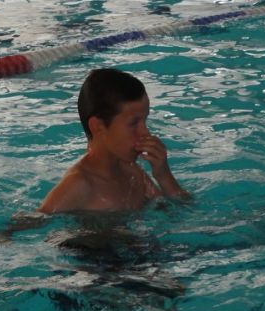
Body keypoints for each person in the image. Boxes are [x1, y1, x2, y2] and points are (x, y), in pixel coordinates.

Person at [38, 68, 189, 214]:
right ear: (98, 126)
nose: (145, 132)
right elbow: (34, 222)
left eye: (144, 121)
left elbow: (180, 211)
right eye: (133, 123)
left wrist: (163, 175)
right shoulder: (79, 185)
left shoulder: (133, 172)